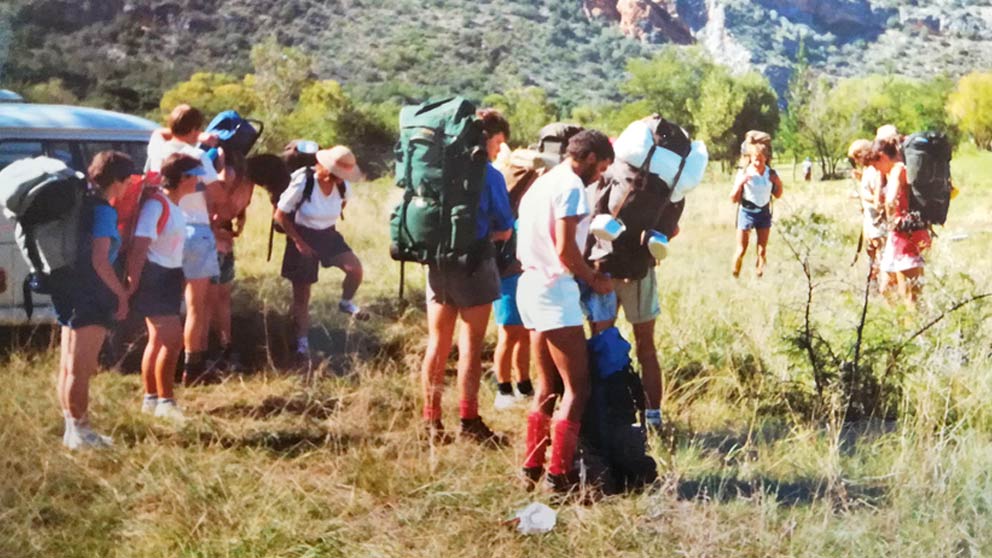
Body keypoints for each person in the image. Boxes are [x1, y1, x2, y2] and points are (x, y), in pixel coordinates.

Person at [517, 130, 615, 493]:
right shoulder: (572, 186)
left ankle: (531, 466)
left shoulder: (542, 183)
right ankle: (559, 475)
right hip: (554, 290)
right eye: (602, 166)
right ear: (590, 158)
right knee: (577, 388)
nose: (601, 175)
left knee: (546, 385)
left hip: (529, 284)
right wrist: (592, 277)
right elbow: (564, 249)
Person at [419, 111, 515, 444]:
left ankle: (431, 422)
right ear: (486, 137)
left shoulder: (438, 168)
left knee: (437, 342)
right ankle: (468, 420)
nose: (498, 150)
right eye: (498, 142)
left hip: (438, 263)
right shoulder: (489, 176)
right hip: (475, 262)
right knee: (470, 346)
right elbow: (504, 228)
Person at [52, 151, 134, 449]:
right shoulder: (103, 211)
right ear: (119, 180)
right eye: (127, 182)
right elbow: (101, 260)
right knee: (81, 368)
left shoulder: (82, 203)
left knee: (68, 365)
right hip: (91, 293)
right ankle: (82, 431)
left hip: (70, 289)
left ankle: (71, 429)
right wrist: (120, 293)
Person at [145, 104, 225, 386]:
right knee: (196, 306)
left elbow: (159, 131)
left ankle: (163, 367)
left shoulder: (157, 148)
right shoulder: (198, 156)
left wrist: (190, 133)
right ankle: (193, 367)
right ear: (195, 128)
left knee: (166, 306)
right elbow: (218, 195)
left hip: (165, 227)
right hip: (196, 229)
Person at [126, 153, 203, 424]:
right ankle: (166, 402)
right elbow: (140, 245)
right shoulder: (156, 205)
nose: (199, 182)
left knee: (158, 341)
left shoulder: (173, 205)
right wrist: (131, 283)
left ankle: (151, 399)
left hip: (168, 276)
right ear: (183, 178)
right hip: (153, 278)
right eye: (196, 176)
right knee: (172, 340)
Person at [274, 145, 367, 364]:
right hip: (302, 235)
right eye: (336, 175)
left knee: (355, 270)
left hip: (328, 235)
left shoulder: (342, 186)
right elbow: (281, 215)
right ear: (325, 168)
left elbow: (341, 204)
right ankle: (302, 342)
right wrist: (298, 242)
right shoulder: (304, 183)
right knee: (303, 294)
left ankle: (346, 302)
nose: (339, 180)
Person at [482, 110, 533, 411]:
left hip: (521, 269)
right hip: (504, 270)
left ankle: (524, 383)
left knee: (524, 330)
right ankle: (503, 387)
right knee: (508, 331)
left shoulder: (519, 197)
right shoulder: (497, 181)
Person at [868, 137, 929, 305]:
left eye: (875, 164)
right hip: (897, 238)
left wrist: (890, 217)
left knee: (910, 295)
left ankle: (917, 329)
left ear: (882, 156)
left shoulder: (898, 169)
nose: (876, 169)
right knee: (886, 287)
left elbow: (890, 199)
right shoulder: (892, 172)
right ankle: (900, 326)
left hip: (905, 236)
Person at [208, 150, 254, 371]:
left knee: (206, 301)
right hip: (226, 239)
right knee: (222, 299)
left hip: (213, 240)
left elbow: (213, 213)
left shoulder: (224, 175)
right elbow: (238, 215)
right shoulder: (248, 182)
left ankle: (206, 351)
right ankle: (225, 348)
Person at [730, 140, 784, 278]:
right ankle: (735, 275)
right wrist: (742, 182)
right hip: (746, 213)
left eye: (761, 159)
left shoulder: (770, 173)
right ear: (750, 158)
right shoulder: (744, 173)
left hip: (764, 213)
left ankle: (760, 276)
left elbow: (777, 194)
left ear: (766, 158)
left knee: (762, 250)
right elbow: (733, 198)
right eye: (755, 160)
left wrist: (777, 182)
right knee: (741, 249)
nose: (759, 163)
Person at [848, 139, 887, 288]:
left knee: (880, 253)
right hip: (870, 218)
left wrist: (861, 196)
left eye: (856, 158)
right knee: (871, 250)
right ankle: (874, 284)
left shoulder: (876, 170)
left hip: (877, 219)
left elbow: (879, 198)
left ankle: (884, 287)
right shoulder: (868, 171)